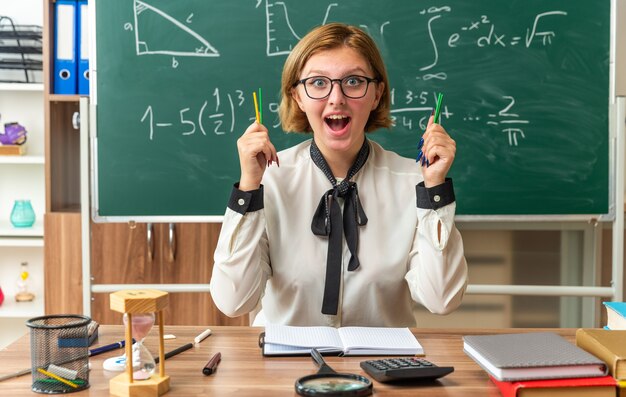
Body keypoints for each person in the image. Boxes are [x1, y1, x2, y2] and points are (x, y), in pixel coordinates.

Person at [210, 23, 467, 327]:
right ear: (298, 97)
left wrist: (434, 190)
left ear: (376, 94)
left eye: (354, 81)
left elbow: (442, 300)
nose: (336, 98)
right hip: (284, 367)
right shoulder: (271, 179)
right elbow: (233, 301)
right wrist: (249, 189)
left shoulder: (413, 181)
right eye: (318, 83)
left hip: (383, 366)